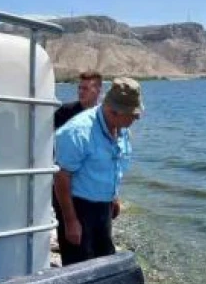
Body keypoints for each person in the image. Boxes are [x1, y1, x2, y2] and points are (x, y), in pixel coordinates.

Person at [53, 77, 143, 265]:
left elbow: (114, 162)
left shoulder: (121, 127)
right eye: (133, 114)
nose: (137, 118)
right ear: (113, 111)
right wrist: (70, 221)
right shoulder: (78, 132)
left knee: (104, 261)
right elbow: (61, 177)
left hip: (103, 206)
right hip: (78, 207)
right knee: (79, 267)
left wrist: (114, 196)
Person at [53, 71, 103, 251]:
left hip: (93, 190)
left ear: (98, 90)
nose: (81, 92)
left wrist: (114, 195)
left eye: (86, 88)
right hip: (65, 184)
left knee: (95, 241)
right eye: (79, 88)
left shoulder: (103, 117)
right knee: (70, 238)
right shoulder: (65, 113)